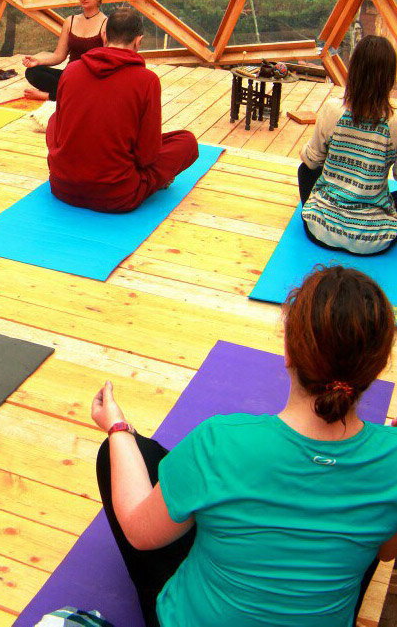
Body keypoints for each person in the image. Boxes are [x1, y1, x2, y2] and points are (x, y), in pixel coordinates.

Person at [92, 265, 397, 627]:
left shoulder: (220, 441)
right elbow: (386, 551)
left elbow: (140, 534)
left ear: (289, 350)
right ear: (377, 366)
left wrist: (117, 428)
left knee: (124, 455)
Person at [46, 6, 198, 212]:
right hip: (117, 195)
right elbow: (147, 156)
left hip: (63, 186)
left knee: (55, 119)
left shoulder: (71, 70)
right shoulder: (147, 80)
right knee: (186, 141)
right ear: (138, 41)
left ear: (104, 35)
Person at [298, 35, 397, 254]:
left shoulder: (332, 109)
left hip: (322, 231)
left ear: (354, 72)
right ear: (390, 77)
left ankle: (324, 211)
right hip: (374, 240)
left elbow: (311, 161)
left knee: (305, 170)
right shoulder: (394, 122)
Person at [20, 0, 109, 102]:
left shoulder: (106, 23)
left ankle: (50, 96)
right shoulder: (70, 21)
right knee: (32, 72)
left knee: (93, 87)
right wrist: (38, 61)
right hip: (69, 76)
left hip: (90, 78)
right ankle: (68, 93)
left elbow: (107, 61)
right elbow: (58, 56)